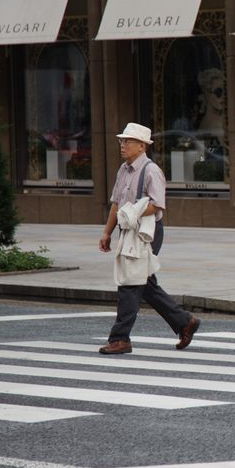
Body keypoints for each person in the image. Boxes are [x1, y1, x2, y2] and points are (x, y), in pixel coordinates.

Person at [98, 123, 199, 355]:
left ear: (141, 146)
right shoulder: (123, 169)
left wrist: (133, 211)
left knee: (130, 284)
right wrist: (107, 232)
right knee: (144, 285)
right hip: (128, 231)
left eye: (128, 141)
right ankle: (185, 322)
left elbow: (157, 204)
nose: (122, 145)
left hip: (147, 231)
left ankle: (120, 338)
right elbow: (115, 203)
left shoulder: (151, 170)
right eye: (122, 141)